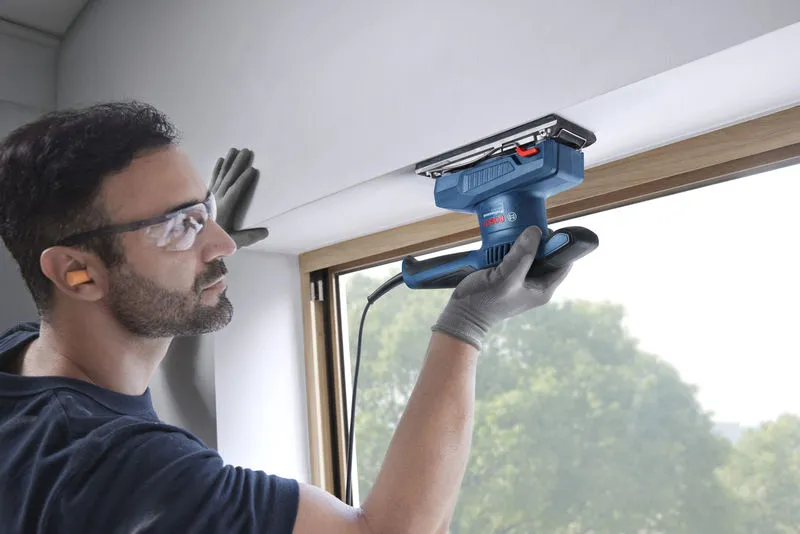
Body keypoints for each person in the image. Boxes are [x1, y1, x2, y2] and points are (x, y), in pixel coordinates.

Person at [0, 101, 571, 533]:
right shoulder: (125, 470)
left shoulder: (22, 358)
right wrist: (466, 324)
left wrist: (190, 242)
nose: (222, 242)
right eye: (179, 225)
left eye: (207, 210)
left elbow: (134, 333)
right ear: (78, 274)